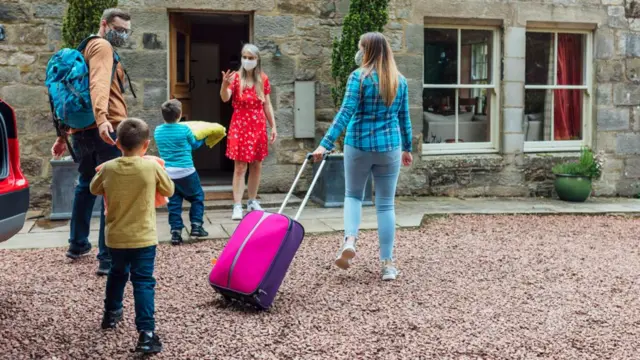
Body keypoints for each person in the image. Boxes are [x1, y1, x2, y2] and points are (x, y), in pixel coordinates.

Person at [312, 32, 413, 281]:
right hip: (389, 147)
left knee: (353, 195)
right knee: (386, 204)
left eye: (360, 48)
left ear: (366, 51)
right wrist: (407, 148)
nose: (358, 52)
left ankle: (349, 241)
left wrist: (325, 144)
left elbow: (345, 113)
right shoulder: (399, 81)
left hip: (358, 145)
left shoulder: (358, 78)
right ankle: (387, 264)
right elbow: (405, 119)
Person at [51, 8, 134, 276]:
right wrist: (103, 121)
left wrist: (62, 135)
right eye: (119, 28)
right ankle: (107, 258)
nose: (122, 34)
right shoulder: (101, 47)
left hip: (82, 130)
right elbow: (97, 85)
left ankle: (77, 244)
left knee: (86, 184)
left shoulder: (85, 46)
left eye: (126, 30)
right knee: (112, 190)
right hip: (105, 129)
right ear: (105, 24)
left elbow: (72, 95)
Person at [90, 118, 174, 354]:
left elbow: (93, 188)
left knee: (117, 274)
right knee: (143, 282)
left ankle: (110, 314)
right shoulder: (152, 167)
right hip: (144, 238)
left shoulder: (108, 168)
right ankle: (146, 334)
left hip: (116, 237)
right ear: (146, 145)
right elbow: (169, 190)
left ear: (117, 143)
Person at [220, 43, 277, 221]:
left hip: (258, 125)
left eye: (251, 58)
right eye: (245, 57)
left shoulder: (263, 78)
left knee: (257, 165)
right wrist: (224, 85)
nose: (247, 60)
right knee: (240, 166)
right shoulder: (235, 78)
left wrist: (273, 126)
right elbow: (225, 98)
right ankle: (237, 205)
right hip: (240, 124)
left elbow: (267, 104)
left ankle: (252, 201)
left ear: (257, 59)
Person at [154, 99, 208, 245]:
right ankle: (196, 225)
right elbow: (195, 145)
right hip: (186, 171)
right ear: (180, 115)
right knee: (197, 197)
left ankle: (176, 232)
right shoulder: (185, 130)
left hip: (168, 173)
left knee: (174, 202)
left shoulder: (158, 131)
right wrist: (204, 139)